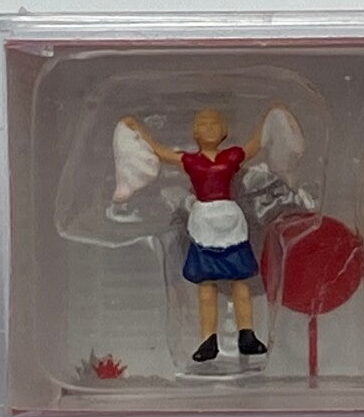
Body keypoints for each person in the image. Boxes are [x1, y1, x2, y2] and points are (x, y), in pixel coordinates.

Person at [118, 105, 287, 362]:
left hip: (230, 222)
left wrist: (269, 117)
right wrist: (138, 130)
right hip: (204, 223)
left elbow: (255, 144)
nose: (209, 128)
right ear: (195, 132)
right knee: (206, 284)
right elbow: (160, 151)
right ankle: (209, 340)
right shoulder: (190, 161)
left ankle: (247, 335)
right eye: (203, 124)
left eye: (214, 123)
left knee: (240, 280)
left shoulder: (232, 156)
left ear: (224, 131)